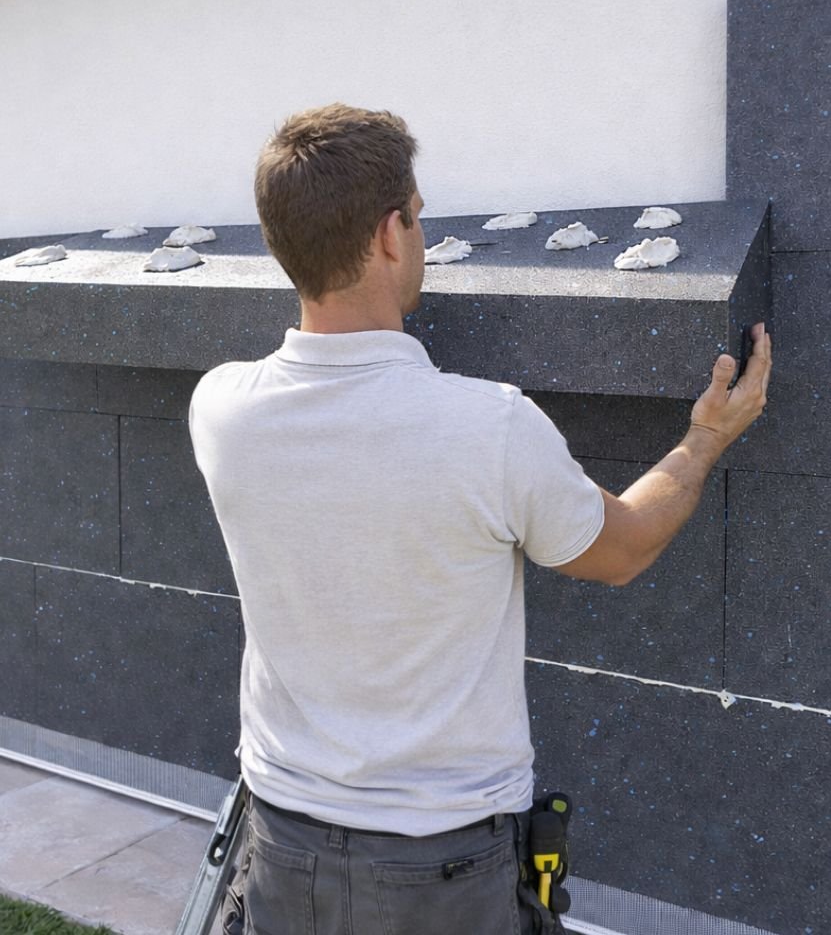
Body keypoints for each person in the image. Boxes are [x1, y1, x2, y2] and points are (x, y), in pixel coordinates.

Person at [189, 102, 771, 935]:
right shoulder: (489, 426)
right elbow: (624, 549)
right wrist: (706, 438)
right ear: (391, 234)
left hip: (285, 844)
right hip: (445, 865)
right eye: (419, 216)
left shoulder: (219, 407)